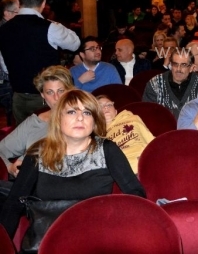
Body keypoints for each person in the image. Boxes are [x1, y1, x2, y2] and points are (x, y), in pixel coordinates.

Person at [0, 89, 146, 239]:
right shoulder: (38, 152)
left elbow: (136, 195)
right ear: (58, 118)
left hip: (96, 236)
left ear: (94, 121)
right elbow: (14, 203)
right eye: (71, 112)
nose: (80, 118)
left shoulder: (107, 149)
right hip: (48, 238)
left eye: (87, 113)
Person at [0, 0, 80, 123]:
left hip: (18, 97)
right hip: (45, 98)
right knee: (50, 135)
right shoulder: (50, 27)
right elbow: (75, 44)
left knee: (24, 136)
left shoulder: (3, 30)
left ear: (19, 2)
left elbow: (5, 67)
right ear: (43, 3)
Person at [0, 66, 73, 177]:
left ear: (70, 91)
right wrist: (9, 168)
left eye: (61, 91)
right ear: (43, 95)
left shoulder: (82, 120)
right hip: (29, 180)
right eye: (50, 92)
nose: (56, 97)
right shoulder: (34, 122)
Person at [97, 95, 154, 174]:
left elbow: (151, 140)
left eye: (109, 104)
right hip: (122, 172)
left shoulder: (133, 118)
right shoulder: (97, 136)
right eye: (101, 106)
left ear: (115, 111)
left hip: (145, 161)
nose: (106, 107)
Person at [143, 49, 198, 119]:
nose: (178, 69)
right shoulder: (155, 84)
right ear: (171, 65)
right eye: (175, 64)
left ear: (192, 68)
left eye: (183, 65)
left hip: (195, 125)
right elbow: (147, 114)